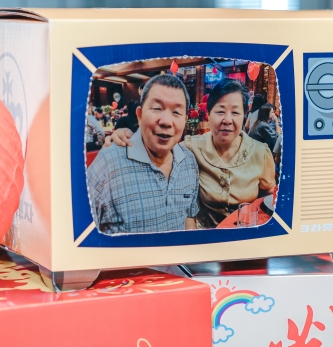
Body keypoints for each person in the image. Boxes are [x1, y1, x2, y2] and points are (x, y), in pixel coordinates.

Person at [107, 79, 276, 229]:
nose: (227, 120)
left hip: (243, 234)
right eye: (220, 111)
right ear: (208, 115)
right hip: (203, 237)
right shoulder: (191, 147)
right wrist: (126, 136)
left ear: (245, 116)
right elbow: (156, 147)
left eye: (235, 112)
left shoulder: (260, 153)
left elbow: (269, 196)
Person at [87, 75, 200, 234]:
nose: (166, 121)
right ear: (139, 115)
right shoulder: (108, 163)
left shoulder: (188, 161)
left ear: (185, 120)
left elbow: (189, 218)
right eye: (157, 108)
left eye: (176, 112)